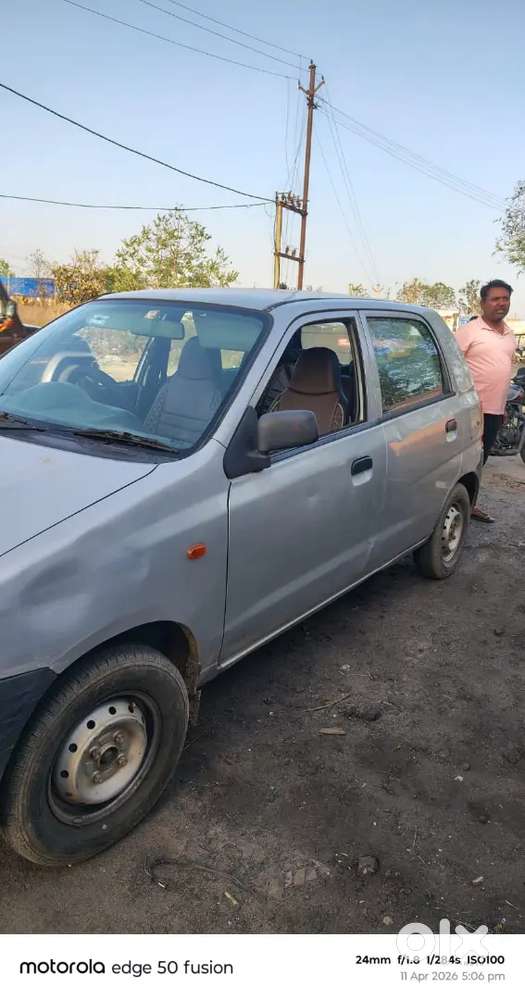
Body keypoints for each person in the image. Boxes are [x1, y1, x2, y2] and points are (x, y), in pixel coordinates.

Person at [455, 279, 516, 523]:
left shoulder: (509, 334)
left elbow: (502, 370)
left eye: (505, 299)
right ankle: (455, 504)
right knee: (465, 461)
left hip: (495, 410)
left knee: (481, 460)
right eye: (495, 299)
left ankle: (470, 504)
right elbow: (450, 364)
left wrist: (504, 404)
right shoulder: (469, 331)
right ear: (483, 303)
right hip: (471, 410)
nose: (501, 303)